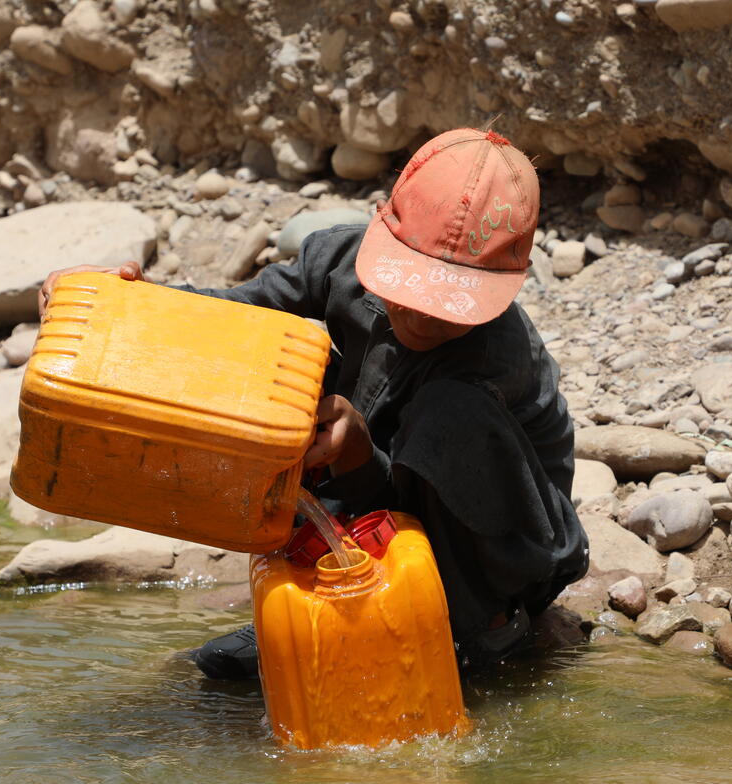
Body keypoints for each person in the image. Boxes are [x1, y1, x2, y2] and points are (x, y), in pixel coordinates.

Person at [38, 127, 589, 679]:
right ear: (381, 226)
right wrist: (124, 301)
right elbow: (231, 321)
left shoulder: (492, 362)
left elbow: (417, 498)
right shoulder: (339, 261)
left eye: (447, 303)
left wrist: (356, 460)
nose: (421, 316)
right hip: (377, 497)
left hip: (499, 551)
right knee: (281, 365)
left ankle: (479, 627)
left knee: (449, 411)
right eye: (411, 290)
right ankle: (337, 586)